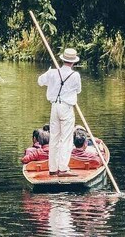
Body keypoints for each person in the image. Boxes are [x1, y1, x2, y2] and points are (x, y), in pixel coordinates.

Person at [37, 48, 82, 177]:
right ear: (73, 62)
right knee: (66, 139)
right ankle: (62, 168)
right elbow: (78, 90)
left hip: (54, 107)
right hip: (66, 108)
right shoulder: (75, 75)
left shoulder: (52, 73)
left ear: (62, 60)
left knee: (54, 138)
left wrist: (48, 73)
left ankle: (52, 168)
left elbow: (40, 81)